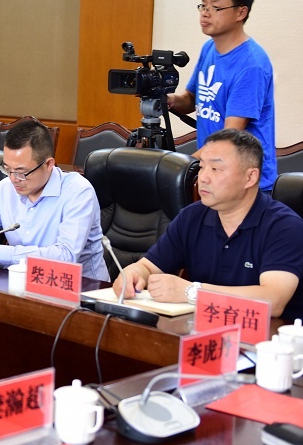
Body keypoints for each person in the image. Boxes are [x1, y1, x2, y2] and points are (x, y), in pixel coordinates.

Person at [113, 129, 303, 319]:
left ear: (250, 177)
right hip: (205, 327)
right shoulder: (192, 217)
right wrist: (133, 273)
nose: (203, 177)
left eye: (215, 169)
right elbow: (148, 267)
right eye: (202, 167)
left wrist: (192, 292)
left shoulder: (284, 226)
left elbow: (273, 301)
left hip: (270, 334)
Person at [0, 119, 108, 281]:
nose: (13, 179)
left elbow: (66, 256)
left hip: (81, 287)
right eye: (7, 169)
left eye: (21, 172)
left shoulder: (78, 192)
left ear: (49, 164)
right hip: (21, 281)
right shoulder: (6, 188)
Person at [167, 0, 276, 192]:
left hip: (244, 181)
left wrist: (177, 167)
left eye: (215, 7)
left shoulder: (251, 64)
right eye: (203, 6)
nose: (205, 13)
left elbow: (230, 135)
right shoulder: (209, 48)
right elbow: (190, 100)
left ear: (241, 12)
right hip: (213, 171)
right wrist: (166, 99)